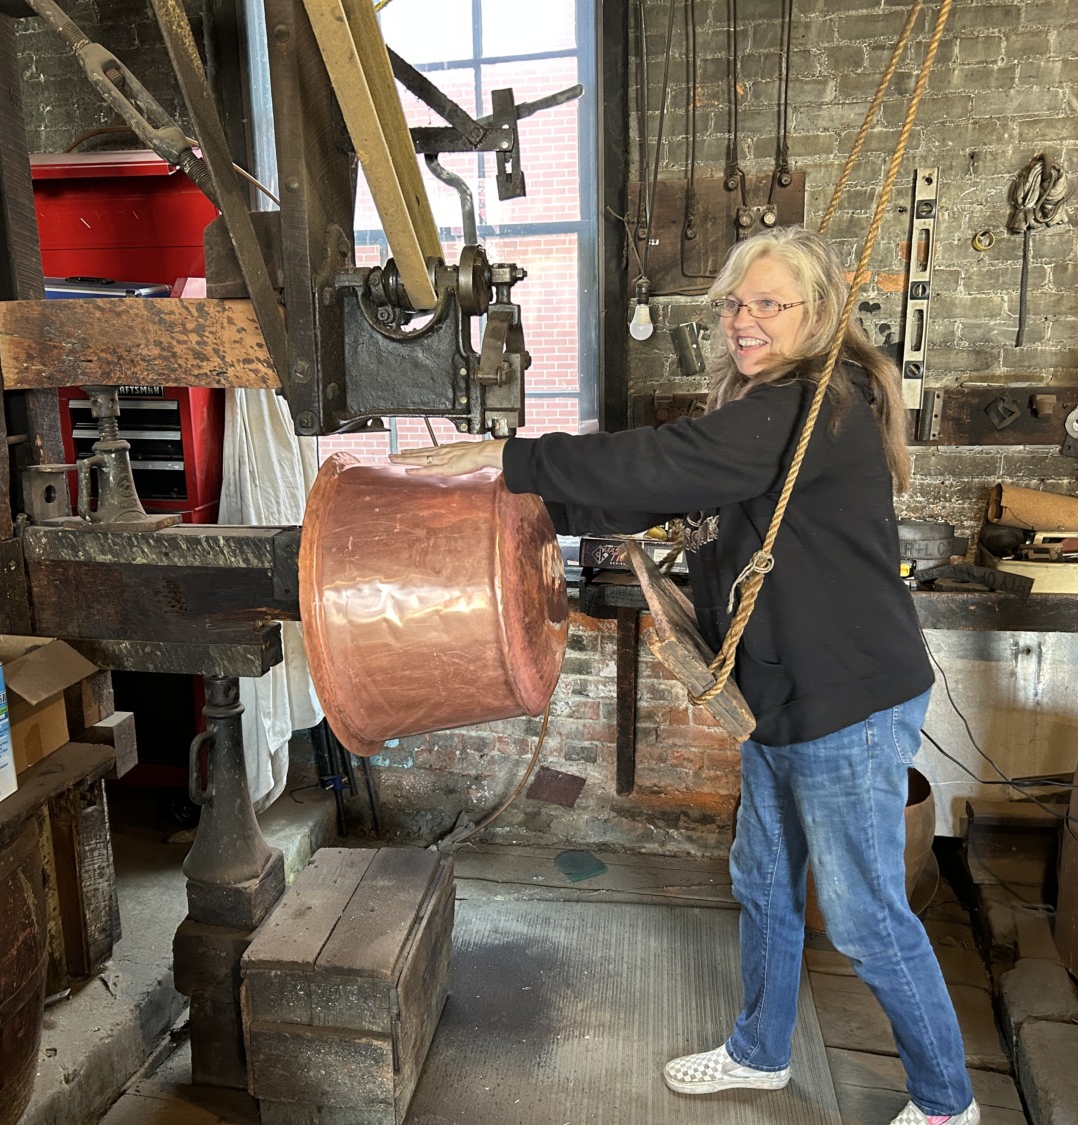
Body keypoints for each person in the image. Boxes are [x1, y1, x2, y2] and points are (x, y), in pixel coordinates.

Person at [389, 226, 979, 1125]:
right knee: (764, 880)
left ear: (817, 314)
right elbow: (666, 483)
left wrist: (515, 459)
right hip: (779, 695)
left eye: (767, 304)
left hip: (847, 700)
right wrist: (528, 493)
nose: (744, 321)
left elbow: (675, 464)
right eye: (735, 305)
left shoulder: (824, 399)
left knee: (863, 916)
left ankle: (948, 1104)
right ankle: (760, 1050)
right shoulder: (767, 400)